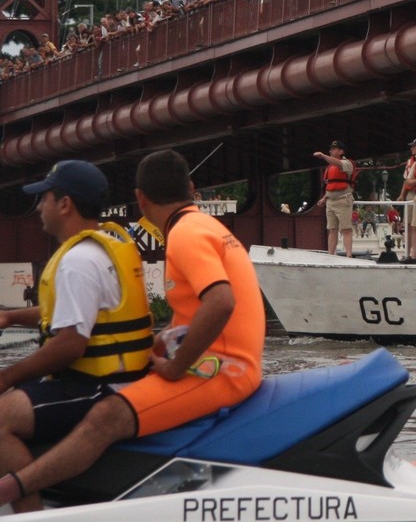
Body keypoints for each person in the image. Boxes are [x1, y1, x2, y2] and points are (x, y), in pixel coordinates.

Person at [0, 150, 265, 511]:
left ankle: (13, 490)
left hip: (224, 370)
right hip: (227, 361)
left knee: (106, 417)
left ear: (140, 198)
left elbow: (220, 302)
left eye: (44, 199)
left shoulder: (186, 233)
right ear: (191, 188)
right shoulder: (201, 226)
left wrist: (174, 366)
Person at [0, 161, 152, 513]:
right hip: (120, 378)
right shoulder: (102, 250)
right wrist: (10, 317)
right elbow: (75, 311)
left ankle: (28, 515)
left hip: (98, 387)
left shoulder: (77, 261)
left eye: (44, 199)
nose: (39, 207)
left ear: (65, 204)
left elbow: (70, 345)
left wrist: (6, 376)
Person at [311, 140, 357, 257]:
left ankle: (349, 255)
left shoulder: (346, 163)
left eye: (334, 149)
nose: (331, 150)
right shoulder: (329, 167)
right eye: (330, 149)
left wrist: (323, 156)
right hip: (331, 201)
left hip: (343, 199)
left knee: (346, 229)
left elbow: (339, 165)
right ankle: (331, 254)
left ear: (341, 151)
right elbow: (331, 185)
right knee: (332, 229)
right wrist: (324, 198)